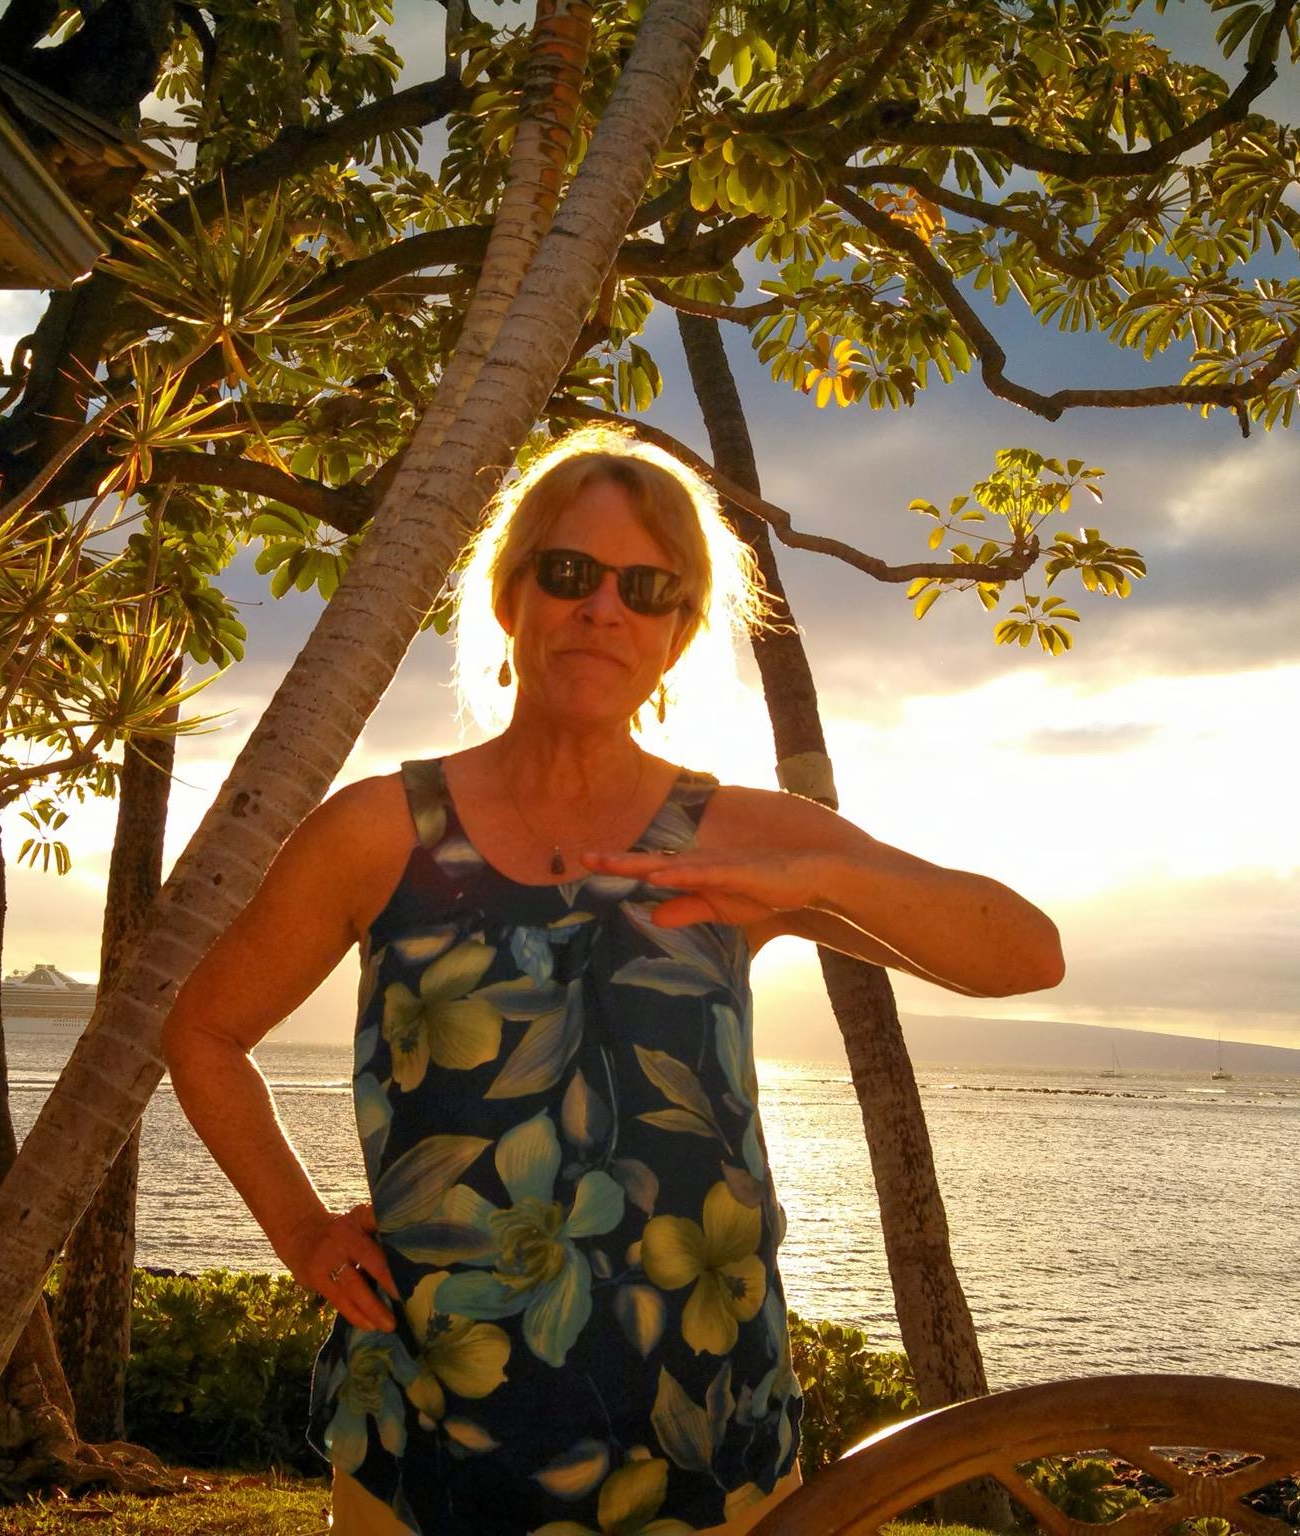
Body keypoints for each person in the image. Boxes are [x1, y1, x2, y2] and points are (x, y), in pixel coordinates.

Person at [161, 426, 1064, 1535]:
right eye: (570, 574)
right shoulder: (379, 833)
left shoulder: (735, 838)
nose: (604, 611)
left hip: (702, 1424)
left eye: (647, 589)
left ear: (680, 633)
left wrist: (819, 871)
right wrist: (299, 1232)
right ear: (509, 597)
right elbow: (203, 1032)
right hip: (431, 1423)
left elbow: (1024, 954)